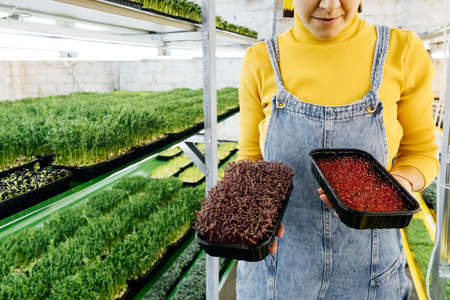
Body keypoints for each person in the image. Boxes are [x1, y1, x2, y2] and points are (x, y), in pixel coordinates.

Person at [236, 0, 439, 299]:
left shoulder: (403, 50)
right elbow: (251, 159)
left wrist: (398, 186)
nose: (330, 5)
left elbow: (421, 153)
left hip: (371, 272)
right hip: (279, 271)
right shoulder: (260, 59)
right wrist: (252, 217)